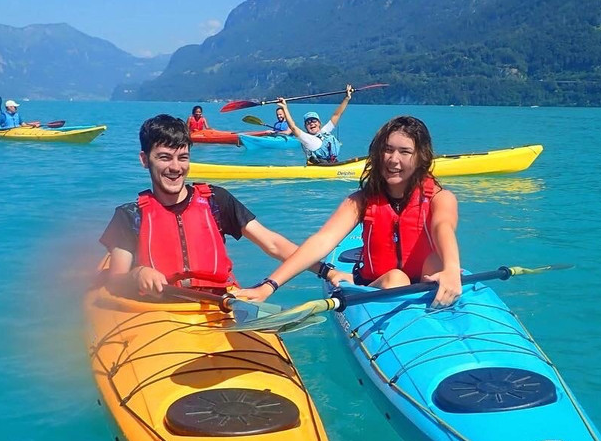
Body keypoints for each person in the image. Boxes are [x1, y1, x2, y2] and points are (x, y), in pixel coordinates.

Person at [234, 116, 462, 308]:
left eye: (405, 152)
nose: (394, 160)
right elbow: (322, 241)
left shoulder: (441, 198)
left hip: (424, 279)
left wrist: (451, 269)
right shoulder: (361, 201)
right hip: (382, 283)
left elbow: (442, 226)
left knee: (436, 260)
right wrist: (269, 286)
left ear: (421, 157)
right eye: (388, 150)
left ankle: (445, 296)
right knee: (397, 279)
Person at [99, 114, 317, 297]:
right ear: (145, 160)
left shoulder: (216, 200)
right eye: (165, 158)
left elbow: (273, 244)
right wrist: (137, 275)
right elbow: (115, 282)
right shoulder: (130, 216)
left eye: (183, 158)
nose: (176, 167)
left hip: (217, 304)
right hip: (160, 309)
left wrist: (327, 272)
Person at [278, 85, 354, 162]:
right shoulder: (307, 140)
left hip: (333, 163)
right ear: (305, 127)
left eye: (314, 121)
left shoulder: (324, 132)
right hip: (321, 167)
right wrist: (285, 108)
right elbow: (293, 127)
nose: (311, 124)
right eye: (308, 122)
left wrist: (347, 98)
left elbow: (336, 115)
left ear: (319, 123)